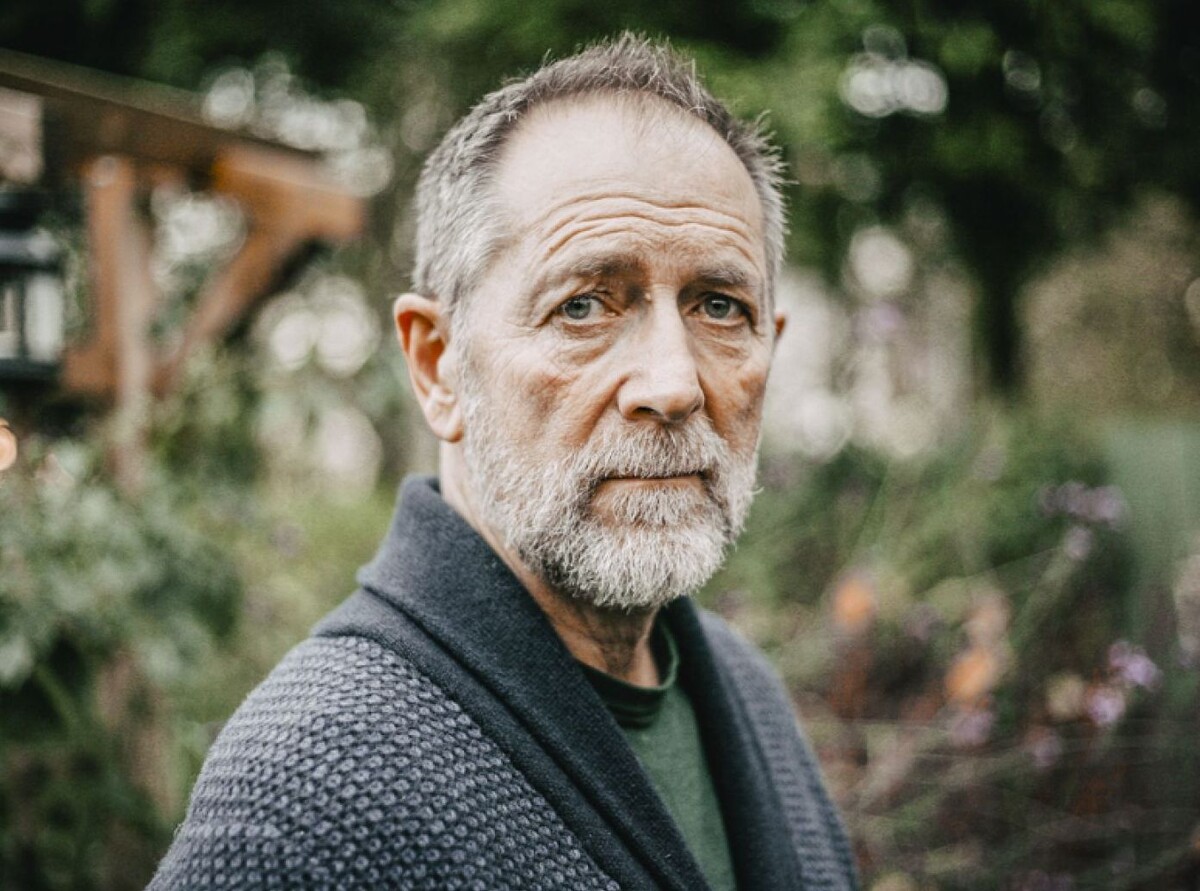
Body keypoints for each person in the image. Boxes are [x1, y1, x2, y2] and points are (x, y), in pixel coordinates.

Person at [150, 34, 858, 891]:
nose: (673, 383)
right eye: (584, 305)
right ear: (437, 365)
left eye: (719, 306)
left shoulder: (748, 697)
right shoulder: (307, 800)